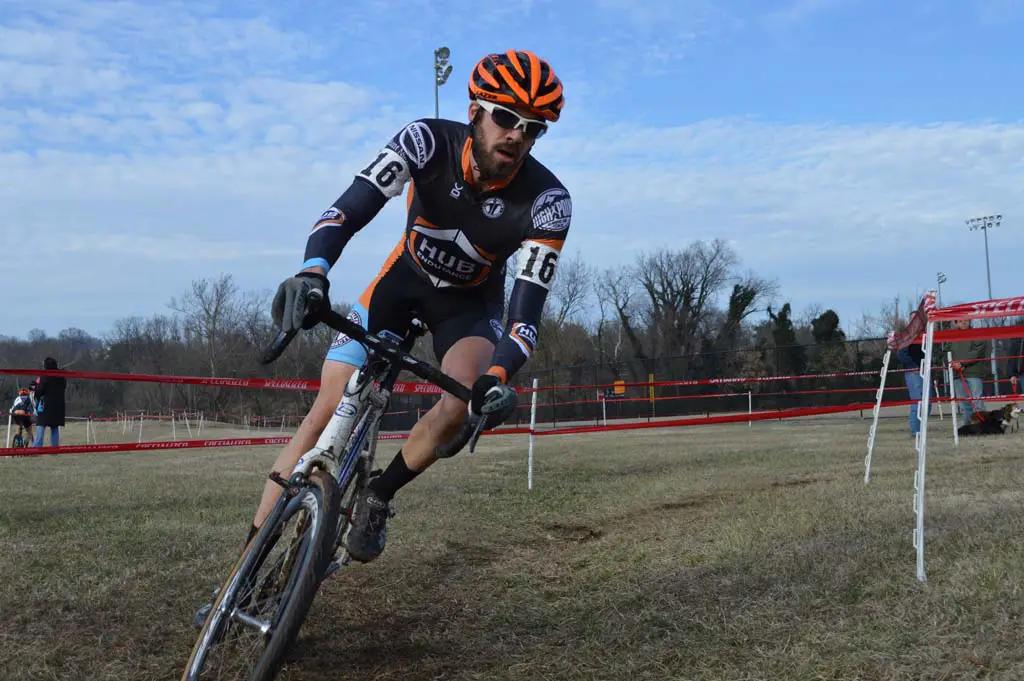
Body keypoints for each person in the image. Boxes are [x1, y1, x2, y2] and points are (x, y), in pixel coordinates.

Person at [948, 319, 989, 427]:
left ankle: (981, 426)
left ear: (970, 321)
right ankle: (967, 427)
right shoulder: (951, 337)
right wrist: (953, 364)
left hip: (974, 373)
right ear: (956, 323)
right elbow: (945, 353)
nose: (964, 323)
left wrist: (962, 363)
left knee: (977, 401)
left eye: (966, 321)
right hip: (957, 374)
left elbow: (978, 352)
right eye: (960, 321)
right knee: (964, 403)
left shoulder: (977, 334)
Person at [896, 342, 932, 436]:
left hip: (926, 370)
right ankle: (916, 431)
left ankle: (921, 429)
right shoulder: (910, 335)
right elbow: (901, 353)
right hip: (914, 371)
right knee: (917, 401)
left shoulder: (925, 335)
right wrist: (913, 366)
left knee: (928, 401)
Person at [31, 357, 66, 447]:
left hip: (45, 405)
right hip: (58, 405)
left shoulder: (45, 375)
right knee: (54, 427)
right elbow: (64, 387)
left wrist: (35, 389)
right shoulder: (61, 376)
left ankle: (36, 448)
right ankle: (54, 448)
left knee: (40, 425)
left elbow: (40, 390)